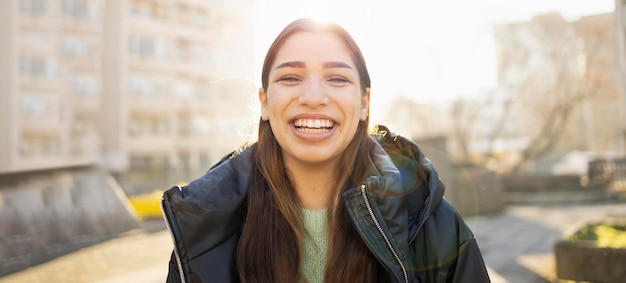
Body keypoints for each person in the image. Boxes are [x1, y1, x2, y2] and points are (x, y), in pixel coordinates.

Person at [161, 18, 491, 283]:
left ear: (364, 103)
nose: (314, 96)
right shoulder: (203, 231)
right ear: (264, 103)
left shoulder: (434, 226)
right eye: (290, 77)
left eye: (337, 79)